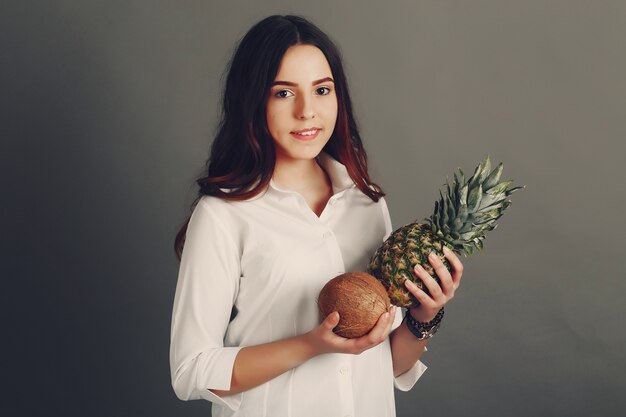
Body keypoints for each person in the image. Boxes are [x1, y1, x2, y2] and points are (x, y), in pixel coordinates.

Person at [169, 15, 463, 417]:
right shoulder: (223, 214)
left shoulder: (366, 202)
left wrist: (424, 315)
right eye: (284, 93)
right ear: (252, 101)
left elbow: (384, 364)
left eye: (321, 90)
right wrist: (311, 345)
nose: (307, 111)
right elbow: (190, 371)